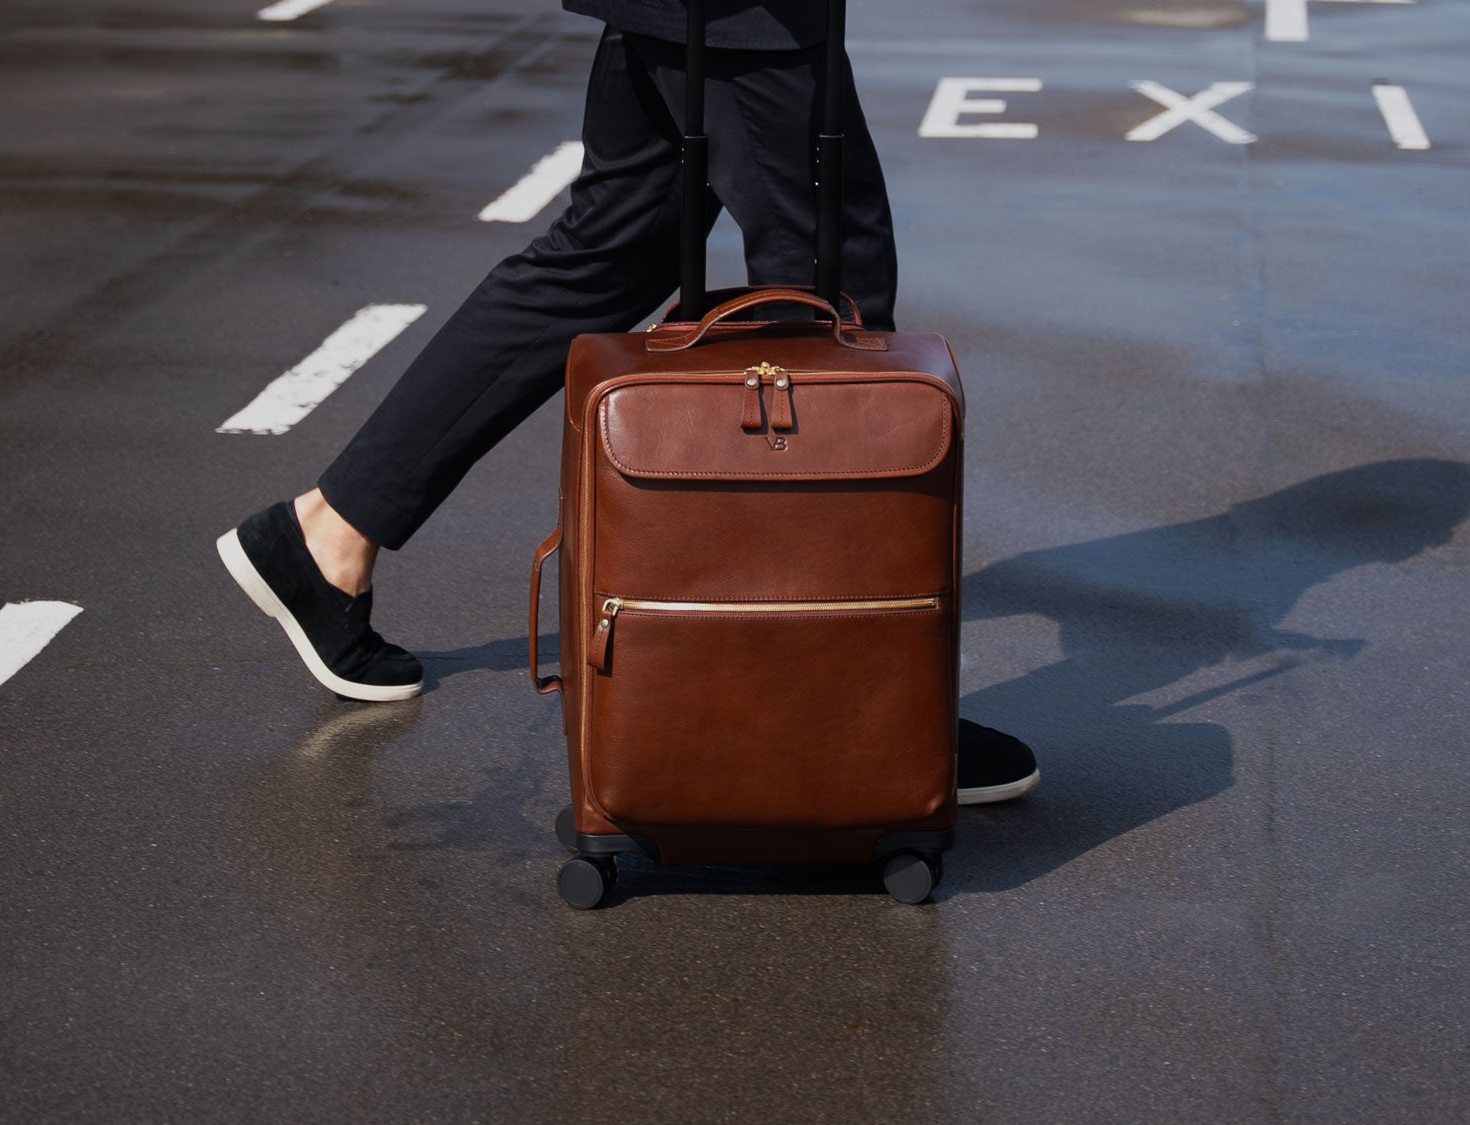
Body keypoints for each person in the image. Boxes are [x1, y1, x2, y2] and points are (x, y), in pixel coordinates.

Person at [216, 0, 1039, 805]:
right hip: (748, 10)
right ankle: (845, 712)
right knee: (830, 301)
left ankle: (330, 529)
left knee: (607, 258)